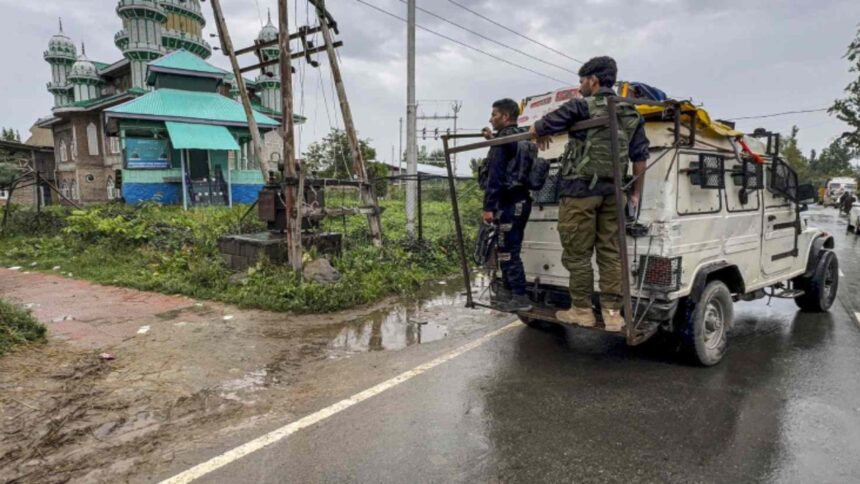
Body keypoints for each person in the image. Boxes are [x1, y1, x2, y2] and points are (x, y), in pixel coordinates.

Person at [528, 56, 649, 331]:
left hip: (580, 192)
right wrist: (635, 194)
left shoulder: (581, 106)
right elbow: (640, 158)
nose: (580, 86)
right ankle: (612, 314)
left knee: (577, 254)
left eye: (582, 81)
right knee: (611, 253)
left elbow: (539, 127)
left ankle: (582, 311)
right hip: (615, 192)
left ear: (593, 80)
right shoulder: (631, 113)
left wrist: (538, 133)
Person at [479, 98, 532, 313]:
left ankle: (519, 296)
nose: (490, 119)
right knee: (508, 249)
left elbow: (496, 177)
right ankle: (512, 294)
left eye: (494, 115)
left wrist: (488, 207)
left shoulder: (502, 142)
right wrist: (492, 139)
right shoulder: (522, 136)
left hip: (509, 203)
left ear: (506, 116)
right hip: (521, 200)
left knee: (508, 252)